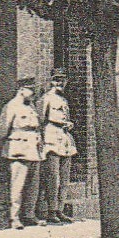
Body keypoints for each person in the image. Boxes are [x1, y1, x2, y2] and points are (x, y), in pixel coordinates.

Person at [0, 77, 43, 229]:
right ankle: (14, 217)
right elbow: (1, 131)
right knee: (18, 185)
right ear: (21, 90)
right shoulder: (11, 106)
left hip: (33, 149)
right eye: (31, 90)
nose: (33, 93)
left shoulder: (31, 106)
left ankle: (29, 215)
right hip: (19, 148)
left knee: (33, 185)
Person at [37, 69, 77, 224]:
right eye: (56, 79)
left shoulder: (64, 100)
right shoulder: (45, 99)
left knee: (64, 177)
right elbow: (40, 121)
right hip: (51, 137)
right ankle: (51, 210)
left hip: (64, 138)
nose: (60, 83)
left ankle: (60, 209)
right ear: (50, 81)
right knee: (53, 178)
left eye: (63, 80)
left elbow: (65, 117)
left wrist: (68, 124)